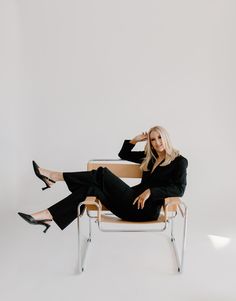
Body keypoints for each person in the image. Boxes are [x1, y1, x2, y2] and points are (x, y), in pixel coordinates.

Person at [18, 125, 188, 233]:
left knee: (102, 173)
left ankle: (53, 176)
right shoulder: (149, 157)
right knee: (89, 190)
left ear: (166, 137)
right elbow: (124, 154)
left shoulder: (179, 161)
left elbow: (179, 189)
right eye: (152, 139)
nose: (157, 142)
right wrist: (135, 140)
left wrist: (151, 191)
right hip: (127, 205)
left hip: (144, 210)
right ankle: (48, 215)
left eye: (159, 137)